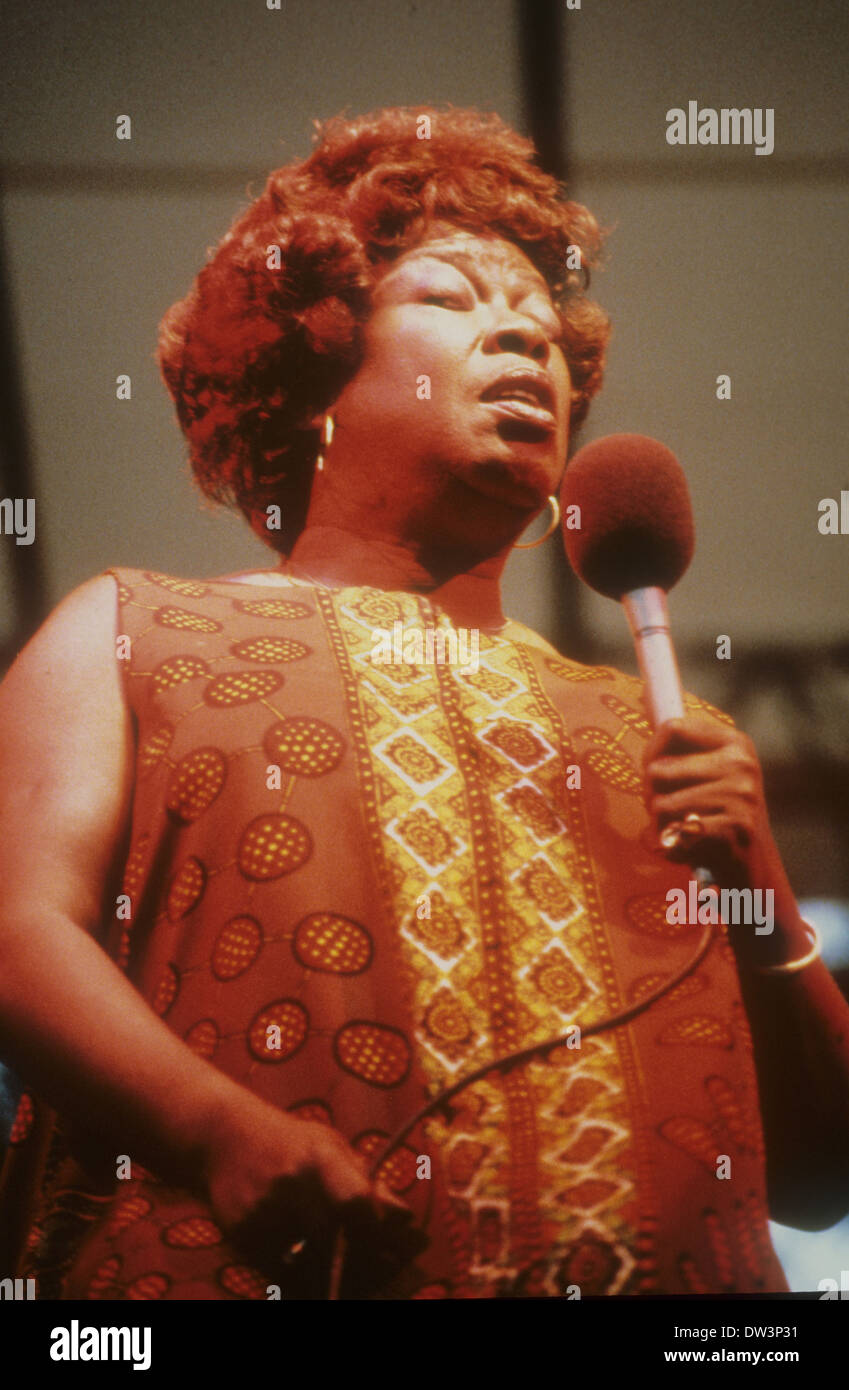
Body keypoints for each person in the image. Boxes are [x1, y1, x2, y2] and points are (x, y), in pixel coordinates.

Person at [0, 105, 847, 1301]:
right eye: (451, 300)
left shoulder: (650, 731)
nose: (519, 337)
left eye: (545, 334)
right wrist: (213, 1131)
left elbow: (819, 1180)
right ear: (311, 369)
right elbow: (14, 931)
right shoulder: (136, 629)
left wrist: (765, 903)